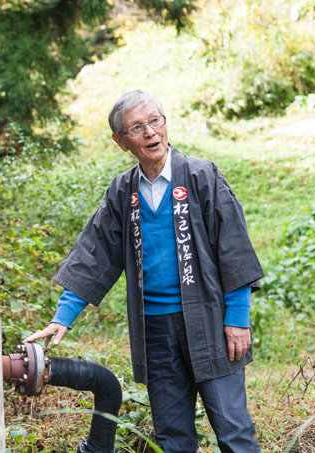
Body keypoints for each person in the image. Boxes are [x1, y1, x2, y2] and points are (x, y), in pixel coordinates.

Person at [24, 90, 264, 453]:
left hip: (211, 322)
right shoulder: (123, 191)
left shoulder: (202, 176)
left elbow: (234, 249)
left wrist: (238, 318)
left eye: (156, 121)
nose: (151, 132)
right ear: (121, 141)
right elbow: (97, 252)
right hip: (154, 329)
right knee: (172, 435)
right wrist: (63, 317)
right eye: (138, 127)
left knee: (233, 429)